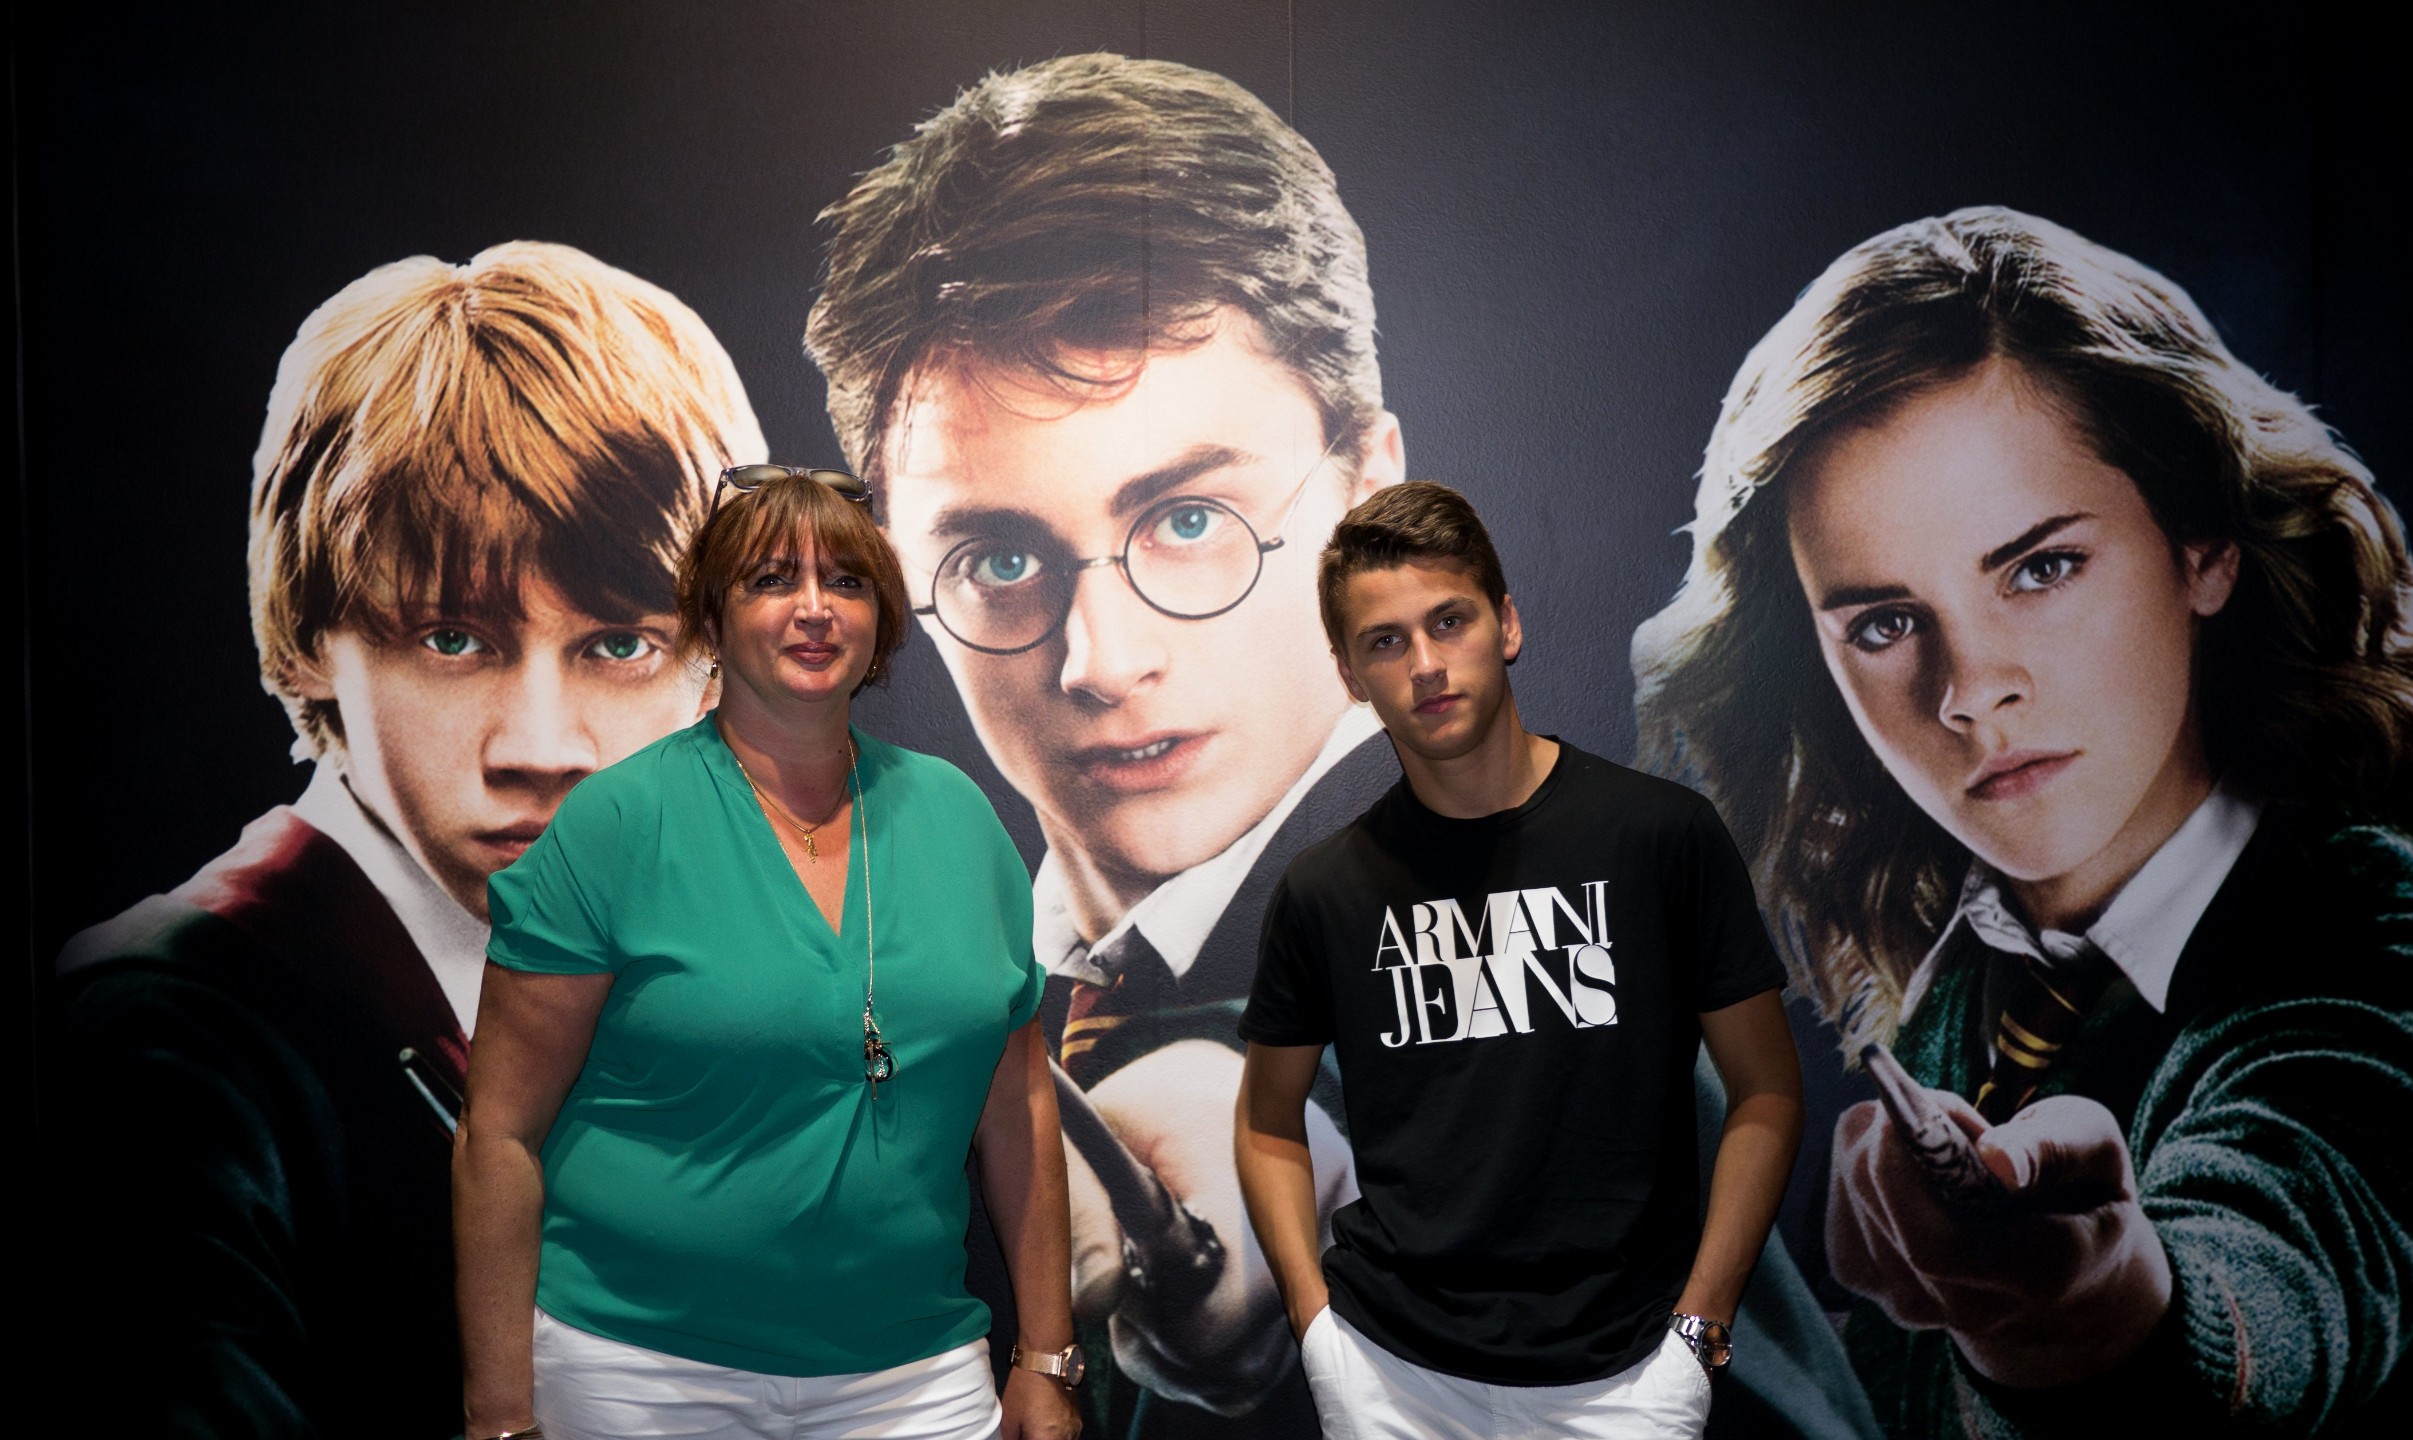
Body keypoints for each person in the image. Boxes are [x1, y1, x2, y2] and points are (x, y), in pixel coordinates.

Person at [805, 55, 1875, 1440]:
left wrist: (1276, 1138)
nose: (1100, 660)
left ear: (1368, 488)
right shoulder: (940, 997)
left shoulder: (1536, 914)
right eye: (997, 557)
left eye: (1189, 521)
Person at [1630, 207, 2413, 1438]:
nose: (1970, 689)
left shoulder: (2391, 973)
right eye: (1885, 623)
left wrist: (2093, 1311)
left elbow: (2274, 1278)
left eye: (2041, 567)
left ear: (2202, 542)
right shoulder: (1972, 978)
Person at [48, 241, 764, 1438]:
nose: (541, 745)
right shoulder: (164, 1046)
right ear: (306, 642)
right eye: (453, 640)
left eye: (620, 645)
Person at [454, 469, 1081, 1440]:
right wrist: (499, 1416)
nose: (814, 608)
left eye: (847, 581)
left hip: (915, 1372)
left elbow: (1020, 1103)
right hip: (641, 1376)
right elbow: (497, 1135)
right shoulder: (616, 823)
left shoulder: (958, 817)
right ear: (712, 615)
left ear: (882, 619)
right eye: (771, 580)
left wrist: (1046, 1356)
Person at [1235, 482, 1807, 1439]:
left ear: (1505, 623)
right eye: (1385, 641)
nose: (1425, 664)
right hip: (1390, 1380)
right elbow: (1265, 1123)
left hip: (1628, 1378)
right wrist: (1316, 1329)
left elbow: (1768, 1091)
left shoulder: (1657, 836)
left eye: (1447, 621)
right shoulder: (1324, 889)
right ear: (1350, 675)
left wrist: (1700, 1328)